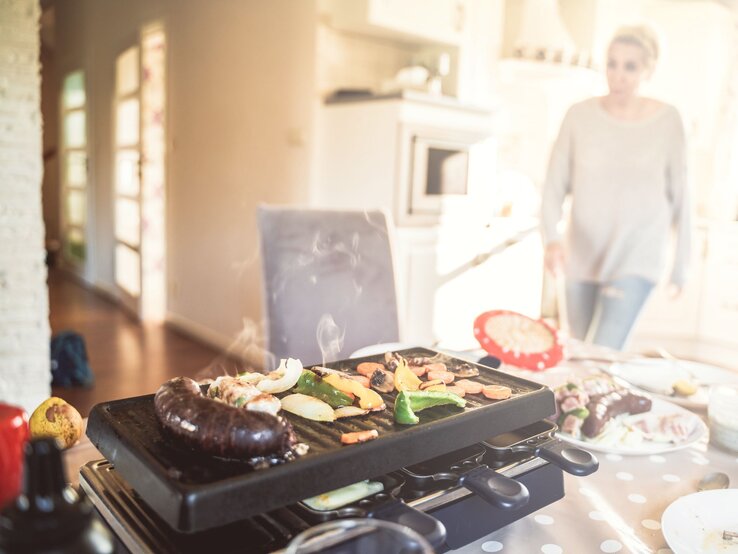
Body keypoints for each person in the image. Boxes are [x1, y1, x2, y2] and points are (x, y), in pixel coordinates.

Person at [541, 24, 691, 351]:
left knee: (603, 354)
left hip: (637, 255)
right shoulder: (578, 116)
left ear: (648, 70)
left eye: (630, 66)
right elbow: (554, 185)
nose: (618, 75)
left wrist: (681, 267)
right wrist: (551, 240)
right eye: (612, 63)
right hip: (582, 253)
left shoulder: (668, 121)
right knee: (579, 354)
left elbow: (681, 197)